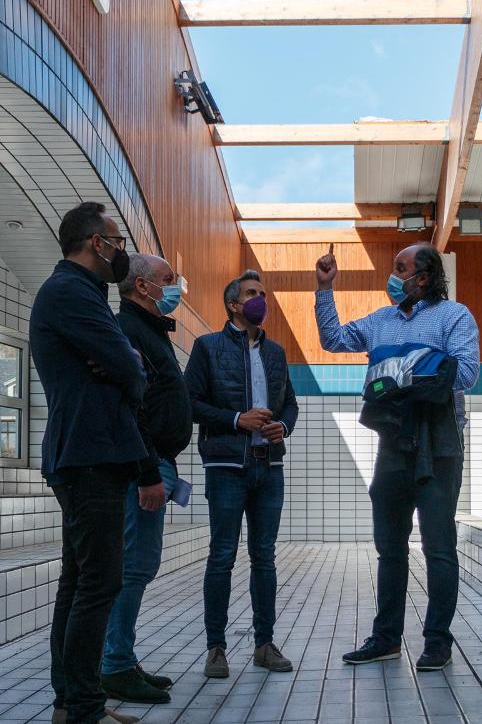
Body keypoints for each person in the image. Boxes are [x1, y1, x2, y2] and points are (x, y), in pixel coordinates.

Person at [314, 242, 480, 671]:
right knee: (390, 548)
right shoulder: (381, 321)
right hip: (392, 443)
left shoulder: (454, 316)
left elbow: (465, 373)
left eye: (400, 269)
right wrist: (324, 288)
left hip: (437, 443)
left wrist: (398, 373)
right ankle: (386, 638)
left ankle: (437, 642)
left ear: (422, 277)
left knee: (439, 547)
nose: (393, 276)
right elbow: (333, 339)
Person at [30, 202, 166, 724]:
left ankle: (73, 704)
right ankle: (82, 707)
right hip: (87, 456)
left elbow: (127, 367)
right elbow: (132, 375)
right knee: (98, 583)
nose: (121, 250)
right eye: (115, 239)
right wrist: (125, 364)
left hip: (89, 453)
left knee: (80, 581)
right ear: (95, 243)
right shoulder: (69, 292)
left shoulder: (81, 294)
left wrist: (123, 363)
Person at [185, 270, 299, 679]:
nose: (260, 301)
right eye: (252, 294)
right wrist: (238, 419)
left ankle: (264, 645)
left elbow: (291, 405)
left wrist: (280, 427)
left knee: (264, 558)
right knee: (221, 556)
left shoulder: (276, 353)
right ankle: (216, 649)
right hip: (226, 468)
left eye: (263, 295)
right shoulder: (208, 347)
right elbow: (191, 402)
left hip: (269, 467)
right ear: (234, 304)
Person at [99, 254, 193, 704]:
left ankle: (121, 657)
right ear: (141, 286)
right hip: (145, 463)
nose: (175, 287)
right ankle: (114, 665)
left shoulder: (150, 331)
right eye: (167, 280)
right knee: (133, 566)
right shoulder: (128, 329)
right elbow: (130, 407)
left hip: (155, 460)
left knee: (139, 565)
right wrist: (148, 470)